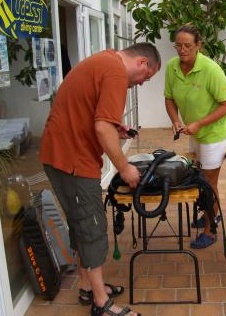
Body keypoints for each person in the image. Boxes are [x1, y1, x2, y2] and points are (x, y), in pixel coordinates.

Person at [40, 43, 160, 316]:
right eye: (146, 77)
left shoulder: (105, 61)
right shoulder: (116, 73)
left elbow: (94, 115)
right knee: (92, 226)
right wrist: (124, 166)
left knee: (81, 224)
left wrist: (118, 128)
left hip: (59, 154)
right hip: (73, 160)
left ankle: (87, 286)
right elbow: (101, 127)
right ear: (142, 62)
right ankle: (100, 304)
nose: (141, 84)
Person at [164, 24, 226, 249]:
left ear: (198, 46)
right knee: (201, 178)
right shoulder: (172, 67)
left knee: (207, 182)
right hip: (194, 131)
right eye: (178, 45)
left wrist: (199, 123)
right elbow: (169, 98)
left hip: (214, 133)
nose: (182, 50)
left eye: (187, 45)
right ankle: (210, 214)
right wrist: (175, 120)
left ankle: (211, 230)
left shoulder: (211, 69)